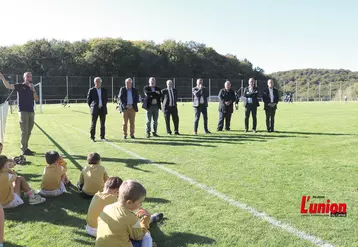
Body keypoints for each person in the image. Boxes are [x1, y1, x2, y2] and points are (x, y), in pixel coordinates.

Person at [96, 180, 163, 247]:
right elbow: (139, 236)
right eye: (140, 202)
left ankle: (152, 219)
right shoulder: (131, 218)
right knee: (147, 236)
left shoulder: (107, 207)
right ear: (129, 202)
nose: (141, 204)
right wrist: (147, 218)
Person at [0, 72, 38, 156]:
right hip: (23, 111)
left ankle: (26, 148)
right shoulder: (20, 86)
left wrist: (33, 90)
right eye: (27, 76)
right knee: (24, 131)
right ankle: (23, 149)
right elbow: (8, 86)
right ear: (24, 78)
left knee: (29, 131)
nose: (29, 78)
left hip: (31, 111)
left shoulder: (32, 88)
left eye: (30, 77)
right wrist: (2, 77)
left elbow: (36, 99)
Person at [87, 77, 108, 142]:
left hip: (103, 109)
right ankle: (92, 137)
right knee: (93, 124)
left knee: (103, 124)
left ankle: (102, 137)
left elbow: (106, 99)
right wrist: (92, 106)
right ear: (94, 82)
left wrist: (103, 104)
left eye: (98, 81)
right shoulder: (91, 90)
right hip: (95, 109)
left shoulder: (104, 90)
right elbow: (88, 100)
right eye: (96, 82)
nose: (97, 83)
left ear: (101, 82)